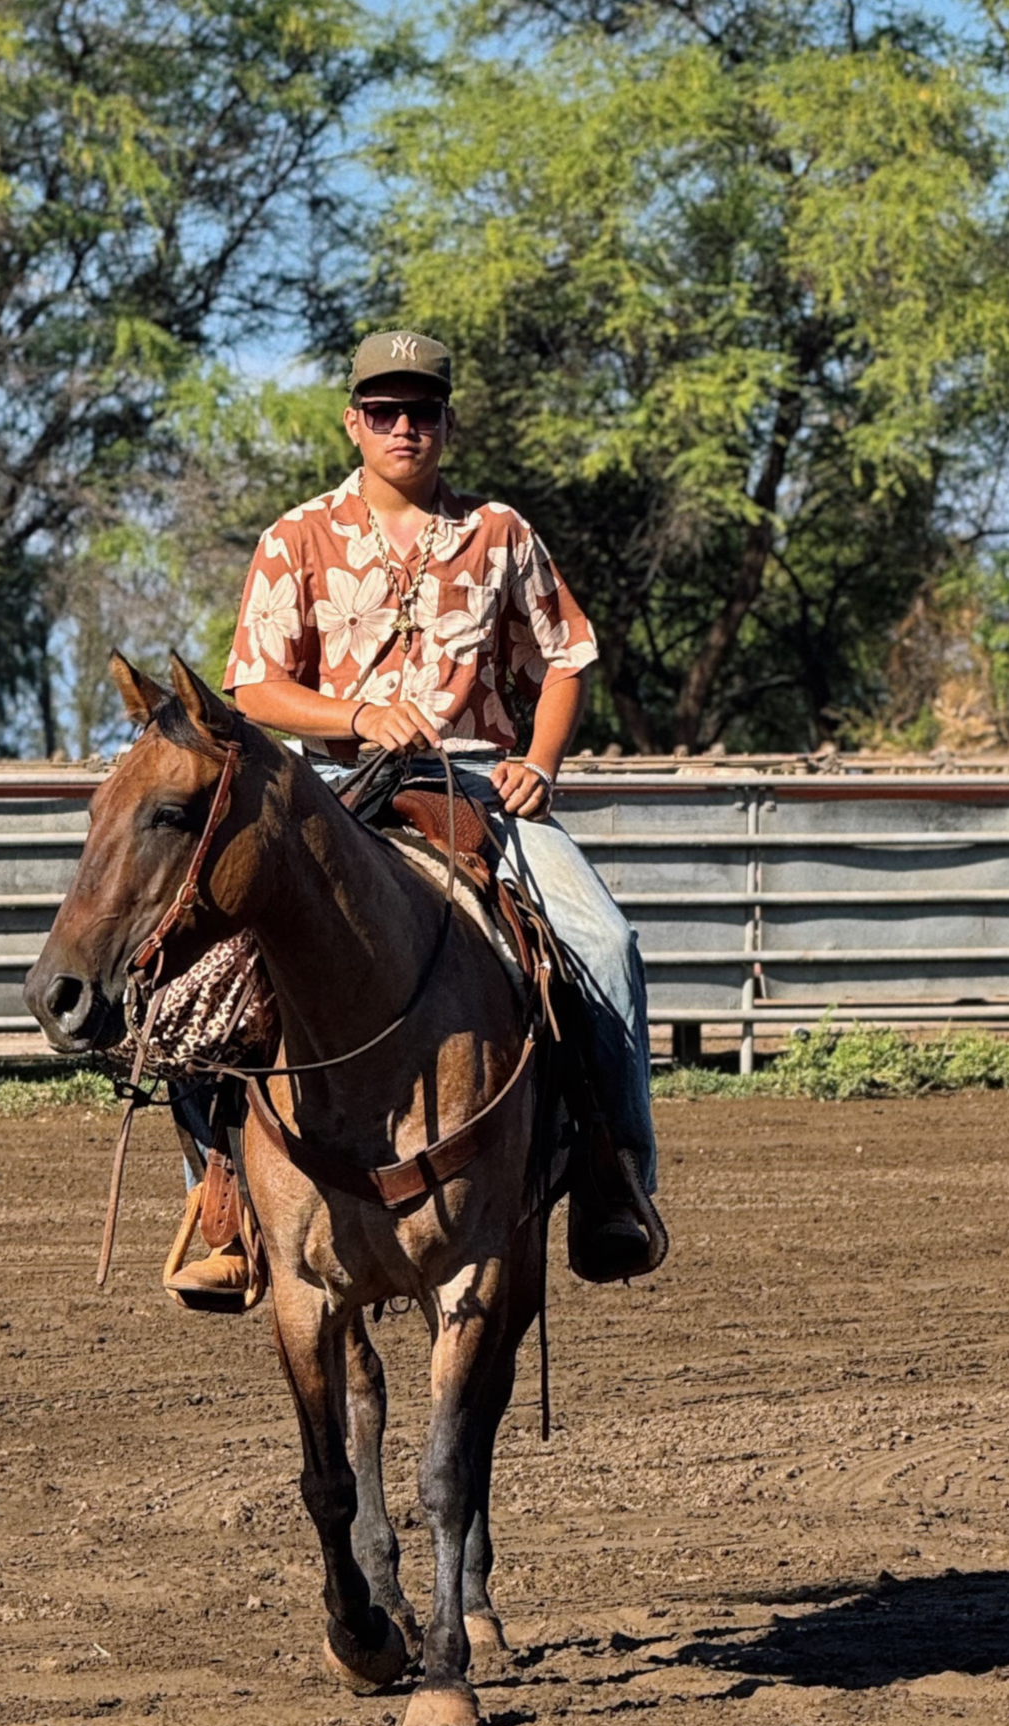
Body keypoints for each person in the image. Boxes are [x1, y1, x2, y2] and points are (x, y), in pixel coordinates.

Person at [174, 328, 666, 1284]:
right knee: (202, 968)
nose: (406, 428)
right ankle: (221, 1203)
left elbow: (563, 660)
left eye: (424, 412)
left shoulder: (499, 532)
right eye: (386, 412)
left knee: (603, 945)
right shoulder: (297, 537)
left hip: (476, 783)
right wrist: (354, 714)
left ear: (447, 422)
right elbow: (253, 691)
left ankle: (615, 1174)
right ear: (354, 423)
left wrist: (541, 763)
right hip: (336, 792)